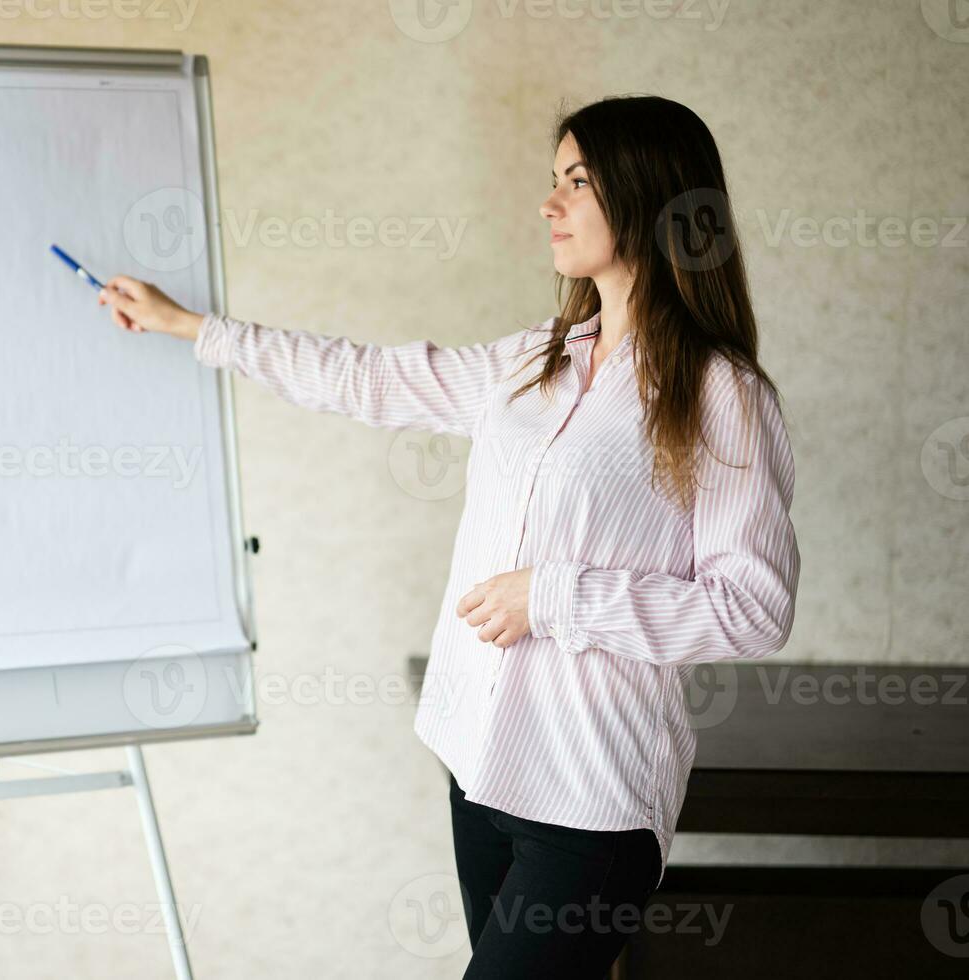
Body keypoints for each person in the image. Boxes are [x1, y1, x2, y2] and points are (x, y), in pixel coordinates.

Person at [97, 94, 801, 979]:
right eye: (552, 182)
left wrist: (552, 595)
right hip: (477, 769)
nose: (549, 205)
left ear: (651, 193)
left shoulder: (724, 395)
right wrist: (192, 327)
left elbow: (753, 607)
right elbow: (369, 378)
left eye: (576, 184)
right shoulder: (538, 358)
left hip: (591, 803)